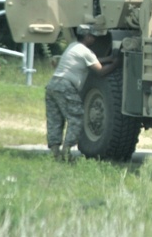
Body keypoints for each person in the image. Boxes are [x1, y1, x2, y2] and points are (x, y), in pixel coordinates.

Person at [46, 25, 119, 162]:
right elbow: (100, 71)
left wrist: (108, 59)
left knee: (55, 119)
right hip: (65, 86)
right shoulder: (86, 52)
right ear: (87, 37)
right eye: (92, 36)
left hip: (53, 84)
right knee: (77, 117)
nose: (94, 39)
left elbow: (92, 61)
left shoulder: (73, 46)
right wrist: (115, 63)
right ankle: (67, 152)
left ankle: (55, 153)